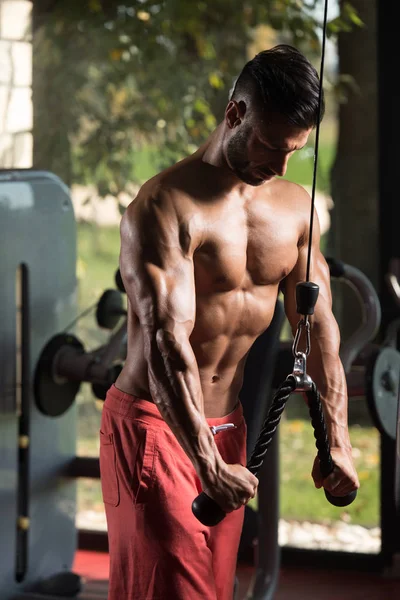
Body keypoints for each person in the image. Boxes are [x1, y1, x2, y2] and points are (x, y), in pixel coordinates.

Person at [99, 44, 360, 600]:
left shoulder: (295, 208)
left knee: (215, 593)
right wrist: (203, 459)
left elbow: (319, 328)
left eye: (295, 152)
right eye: (271, 146)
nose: (281, 167)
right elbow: (168, 341)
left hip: (231, 428)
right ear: (235, 113)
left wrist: (337, 438)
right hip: (156, 427)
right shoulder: (164, 207)